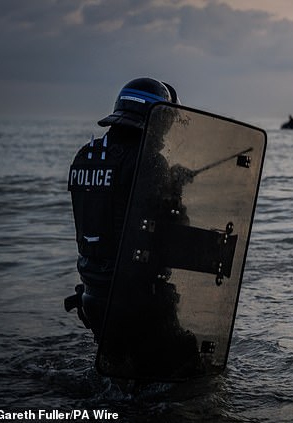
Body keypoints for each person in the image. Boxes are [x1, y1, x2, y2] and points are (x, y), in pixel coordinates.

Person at [64, 77, 175, 341]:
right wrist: (175, 185)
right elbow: (171, 225)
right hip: (135, 293)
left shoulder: (85, 155)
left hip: (93, 290)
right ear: (157, 120)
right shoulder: (148, 161)